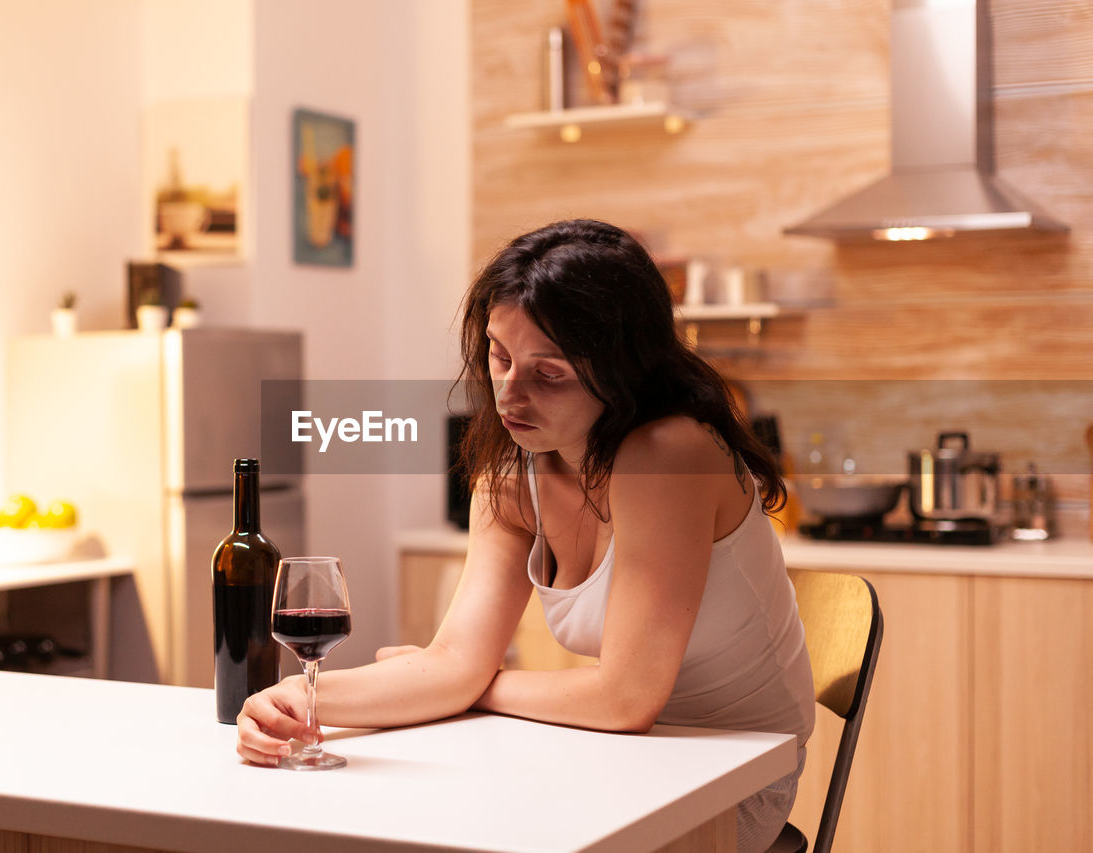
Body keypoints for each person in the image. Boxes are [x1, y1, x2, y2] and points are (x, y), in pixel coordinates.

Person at [238, 219, 815, 853]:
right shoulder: (510, 476)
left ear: (622, 373)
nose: (509, 393)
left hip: (729, 779)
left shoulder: (667, 452)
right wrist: (300, 700)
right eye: (500, 355)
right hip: (620, 758)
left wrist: (472, 684)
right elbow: (456, 660)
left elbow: (623, 700)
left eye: (551, 374)